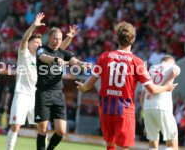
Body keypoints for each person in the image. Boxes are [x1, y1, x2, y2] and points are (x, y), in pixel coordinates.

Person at [75, 22, 177, 150]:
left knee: (110, 145)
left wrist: (82, 87)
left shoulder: (104, 56)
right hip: (124, 110)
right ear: (133, 40)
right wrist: (167, 88)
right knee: (122, 147)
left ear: (117, 38)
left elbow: (89, 84)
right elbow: (152, 89)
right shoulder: (138, 62)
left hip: (106, 108)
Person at [6, 12, 79, 150]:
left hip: (39, 94)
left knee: (43, 128)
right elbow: (24, 40)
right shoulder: (24, 54)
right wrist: (34, 26)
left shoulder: (44, 54)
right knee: (15, 126)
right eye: (36, 42)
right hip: (22, 93)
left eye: (40, 42)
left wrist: (69, 37)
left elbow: (60, 50)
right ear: (30, 44)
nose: (39, 44)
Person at [35, 27, 92, 150]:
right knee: (42, 128)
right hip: (43, 93)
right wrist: (55, 59)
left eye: (60, 39)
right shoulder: (42, 49)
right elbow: (43, 57)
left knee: (61, 130)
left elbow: (74, 61)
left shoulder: (63, 53)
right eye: (55, 38)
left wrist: (83, 64)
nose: (58, 41)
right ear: (49, 37)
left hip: (58, 94)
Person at [140, 55, 180, 150]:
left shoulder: (151, 69)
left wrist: (144, 112)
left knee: (153, 143)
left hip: (147, 108)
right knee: (172, 144)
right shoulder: (172, 66)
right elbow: (174, 72)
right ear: (172, 62)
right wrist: (161, 88)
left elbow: (142, 95)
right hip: (162, 107)